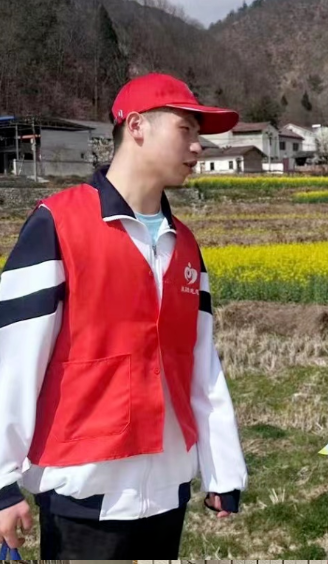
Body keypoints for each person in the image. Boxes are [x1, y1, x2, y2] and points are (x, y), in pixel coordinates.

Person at [0, 73, 248, 558]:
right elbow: (13, 360)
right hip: (83, 491)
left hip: (167, 492)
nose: (198, 147)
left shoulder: (185, 244)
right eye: (186, 129)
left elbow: (201, 364)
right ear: (136, 126)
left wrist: (223, 470)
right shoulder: (58, 224)